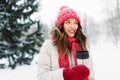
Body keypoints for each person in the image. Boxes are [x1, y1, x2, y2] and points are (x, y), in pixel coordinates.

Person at [37, 6, 95, 80]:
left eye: (75, 23)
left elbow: (91, 73)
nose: (73, 26)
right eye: (68, 22)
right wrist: (66, 74)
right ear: (61, 25)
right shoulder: (49, 46)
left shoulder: (82, 45)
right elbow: (41, 76)